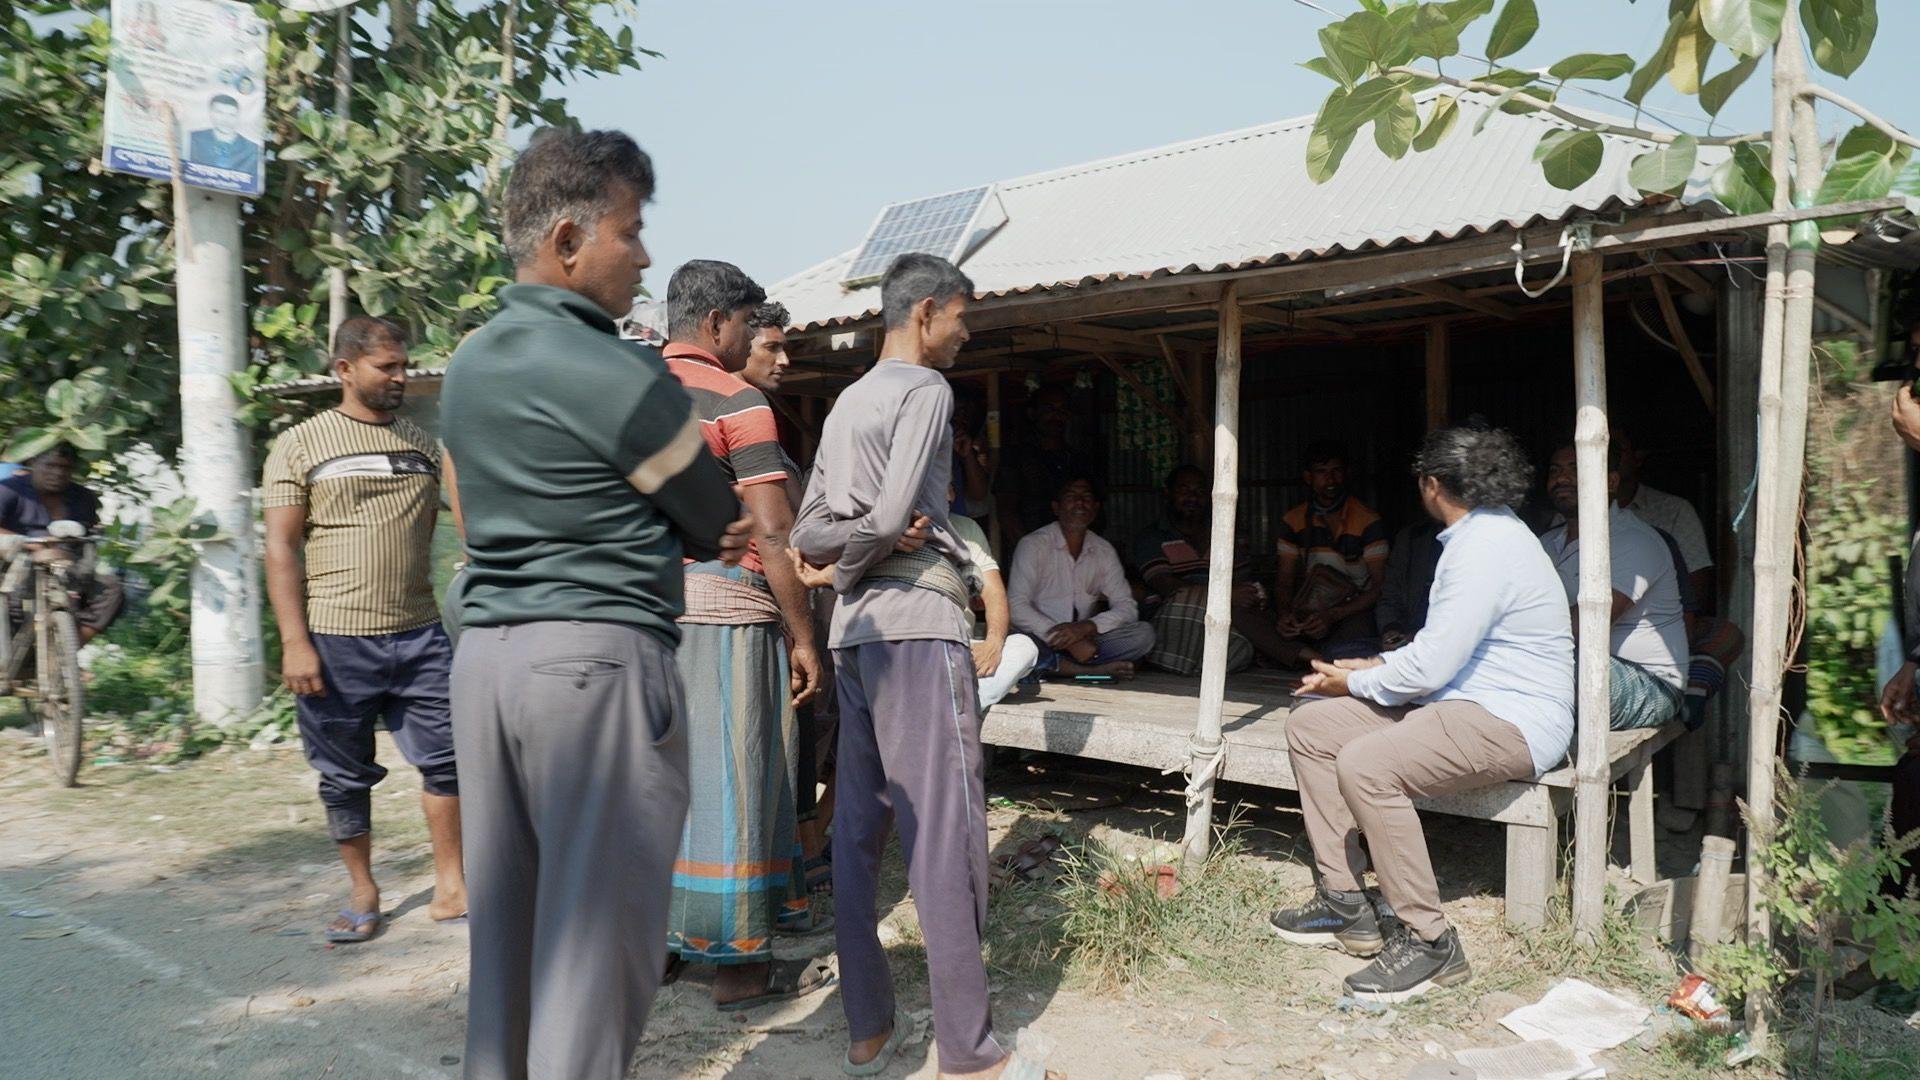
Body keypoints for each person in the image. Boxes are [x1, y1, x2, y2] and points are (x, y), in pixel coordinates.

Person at [439, 128, 752, 1080]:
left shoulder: (472, 364)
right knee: (595, 956)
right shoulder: (618, 371)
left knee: (511, 940)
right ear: (569, 240)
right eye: (633, 229)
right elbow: (712, 515)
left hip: (487, 665)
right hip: (593, 670)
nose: (646, 254)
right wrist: (701, 518)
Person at [791, 252, 1048, 1079]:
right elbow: (882, 517)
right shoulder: (927, 393)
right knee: (945, 830)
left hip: (853, 636)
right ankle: (968, 1047)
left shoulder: (844, 403)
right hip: (916, 625)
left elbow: (811, 534)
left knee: (861, 832)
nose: (967, 335)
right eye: (963, 318)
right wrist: (874, 544)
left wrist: (847, 551)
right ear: (927, 311)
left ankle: (867, 1026)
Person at [1270, 426, 1573, 1003]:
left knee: (1367, 764)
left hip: (1511, 717)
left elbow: (1433, 666)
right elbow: (1440, 649)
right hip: (1460, 702)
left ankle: (1431, 941)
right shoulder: (1479, 535)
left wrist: (1359, 678)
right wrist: (1371, 668)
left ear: (1432, 484)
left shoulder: (1485, 547)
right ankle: (1346, 903)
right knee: (1311, 723)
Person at [260, 316, 465, 945]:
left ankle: (452, 884)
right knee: (345, 775)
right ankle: (363, 890)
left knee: (451, 761)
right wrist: (296, 642)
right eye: (388, 367)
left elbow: (457, 514)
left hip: (420, 632)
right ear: (345, 369)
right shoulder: (300, 445)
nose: (401, 377)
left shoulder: (424, 445)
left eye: (405, 365)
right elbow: (281, 549)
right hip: (334, 638)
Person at [660, 259, 831, 1007]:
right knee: (736, 777)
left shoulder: (623, 391)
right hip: (725, 615)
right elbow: (771, 526)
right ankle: (736, 965)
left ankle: (657, 948)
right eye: (748, 324)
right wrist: (803, 635)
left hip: (639, 616)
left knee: (661, 786)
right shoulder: (738, 400)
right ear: (718, 323)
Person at [1538, 444, 1687, 731]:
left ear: (1611, 482)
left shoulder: (1635, 541)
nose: (1562, 478)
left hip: (1648, 683)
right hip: (1572, 663)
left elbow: (1586, 626)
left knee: (1543, 668)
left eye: (1575, 468)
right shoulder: (1546, 543)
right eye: (1555, 470)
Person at [1607, 424, 1742, 728]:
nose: (1603, 453)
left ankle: (1693, 684)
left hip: (1665, 622)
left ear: (1637, 457)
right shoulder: (1564, 522)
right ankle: (1694, 677)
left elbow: (1697, 585)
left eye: (1614, 446)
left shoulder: (1672, 511)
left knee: (1728, 635)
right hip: (1608, 631)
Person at [1134, 464, 1294, 674]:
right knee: (1213, 606)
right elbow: (1168, 587)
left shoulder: (1225, 535)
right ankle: (1298, 655)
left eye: (1200, 492)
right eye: (1184, 491)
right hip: (1173, 628)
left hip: (1219, 627)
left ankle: (1293, 655)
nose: (1193, 498)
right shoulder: (1152, 538)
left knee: (1247, 624)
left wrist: (1254, 596)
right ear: (1168, 494)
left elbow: (1243, 583)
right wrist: (1225, 597)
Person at [1007, 477, 1154, 678]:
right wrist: (1068, 639)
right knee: (1018, 645)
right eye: (1071, 496)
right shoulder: (1033, 545)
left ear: (1095, 508)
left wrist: (1086, 627)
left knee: (1143, 634)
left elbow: (1126, 607)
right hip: (1041, 637)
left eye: (1086, 497)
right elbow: (1015, 606)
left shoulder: (1103, 550)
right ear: (1056, 507)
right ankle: (1090, 671)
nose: (1079, 502)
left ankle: (1062, 668)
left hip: (1087, 644)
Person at [1272, 440, 1389, 665]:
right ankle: (1319, 659)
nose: (1330, 479)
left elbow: (1380, 587)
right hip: (1309, 610)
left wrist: (1334, 615)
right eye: (1322, 472)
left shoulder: (1368, 520)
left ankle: (1317, 661)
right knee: (1268, 628)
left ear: (1347, 474)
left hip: (1353, 610)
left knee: (1358, 640)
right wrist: (1285, 616)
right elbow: (1284, 582)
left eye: (1336, 471)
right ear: (1308, 477)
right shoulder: (1293, 521)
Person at [0, 445, 125, 643]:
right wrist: (32, 547)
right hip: (15, 566)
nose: (57, 472)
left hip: (67, 568)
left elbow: (89, 532)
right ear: (33, 463)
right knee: (11, 605)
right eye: (50, 465)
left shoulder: (83, 497)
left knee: (112, 590)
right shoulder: (8, 490)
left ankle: (69, 654)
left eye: (65, 467)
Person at [950, 489, 1038, 709]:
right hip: (913, 649)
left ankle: (965, 707)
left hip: (961, 650)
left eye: (949, 484)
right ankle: (959, 708)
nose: (948, 492)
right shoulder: (894, 529)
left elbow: (993, 593)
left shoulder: (966, 529)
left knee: (1024, 647)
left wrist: (994, 644)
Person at [995, 384, 1098, 539]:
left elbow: (1094, 510)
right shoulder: (1016, 457)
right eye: (1049, 409)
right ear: (1032, 413)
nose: (1056, 416)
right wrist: (1032, 552)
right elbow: (1007, 513)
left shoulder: (1078, 460)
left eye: (1062, 410)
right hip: (1031, 550)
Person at [1376, 518, 1442, 651]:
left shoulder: (1480, 541)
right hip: (1406, 636)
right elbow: (1390, 592)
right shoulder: (1413, 536)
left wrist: (1418, 637)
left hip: (1448, 643)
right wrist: (1391, 628)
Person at [187, 93, 260, 176]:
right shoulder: (193, 138)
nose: (225, 119)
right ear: (210, 113)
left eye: (231, 115)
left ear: (238, 116)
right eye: (220, 112)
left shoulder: (252, 150)